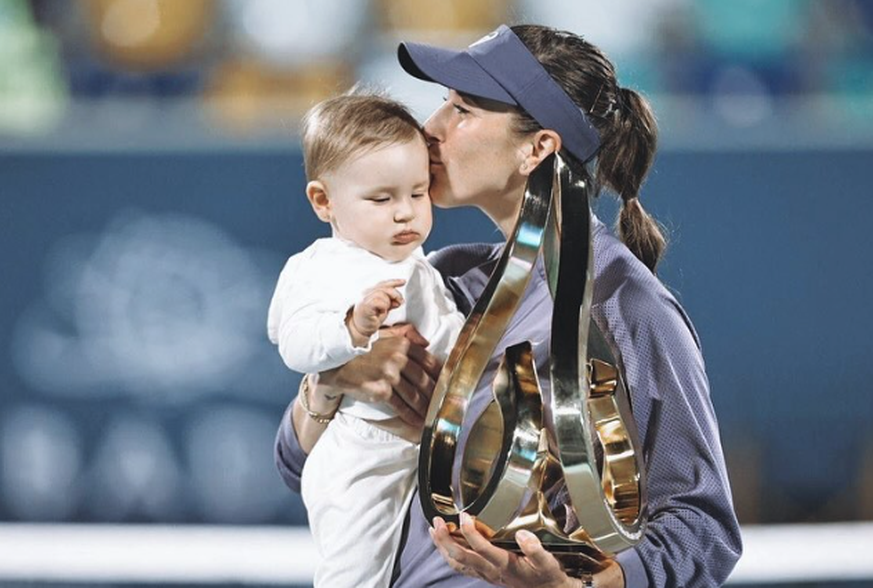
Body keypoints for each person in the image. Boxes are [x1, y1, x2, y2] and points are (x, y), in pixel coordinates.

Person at [274, 24, 743, 588]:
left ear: (537, 148)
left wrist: (573, 587)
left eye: (462, 111)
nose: (430, 130)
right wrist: (333, 383)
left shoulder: (627, 304)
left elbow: (703, 529)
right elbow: (295, 463)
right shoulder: (442, 274)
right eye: (442, 105)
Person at [267, 91, 465, 588]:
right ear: (323, 201)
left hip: (426, 451)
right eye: (382, 199)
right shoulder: (319, 267)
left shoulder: (423, 265)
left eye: (418, 194)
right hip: (362, 453)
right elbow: (292, 342)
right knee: (353, 574)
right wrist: (351, 329)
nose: (405, 213)